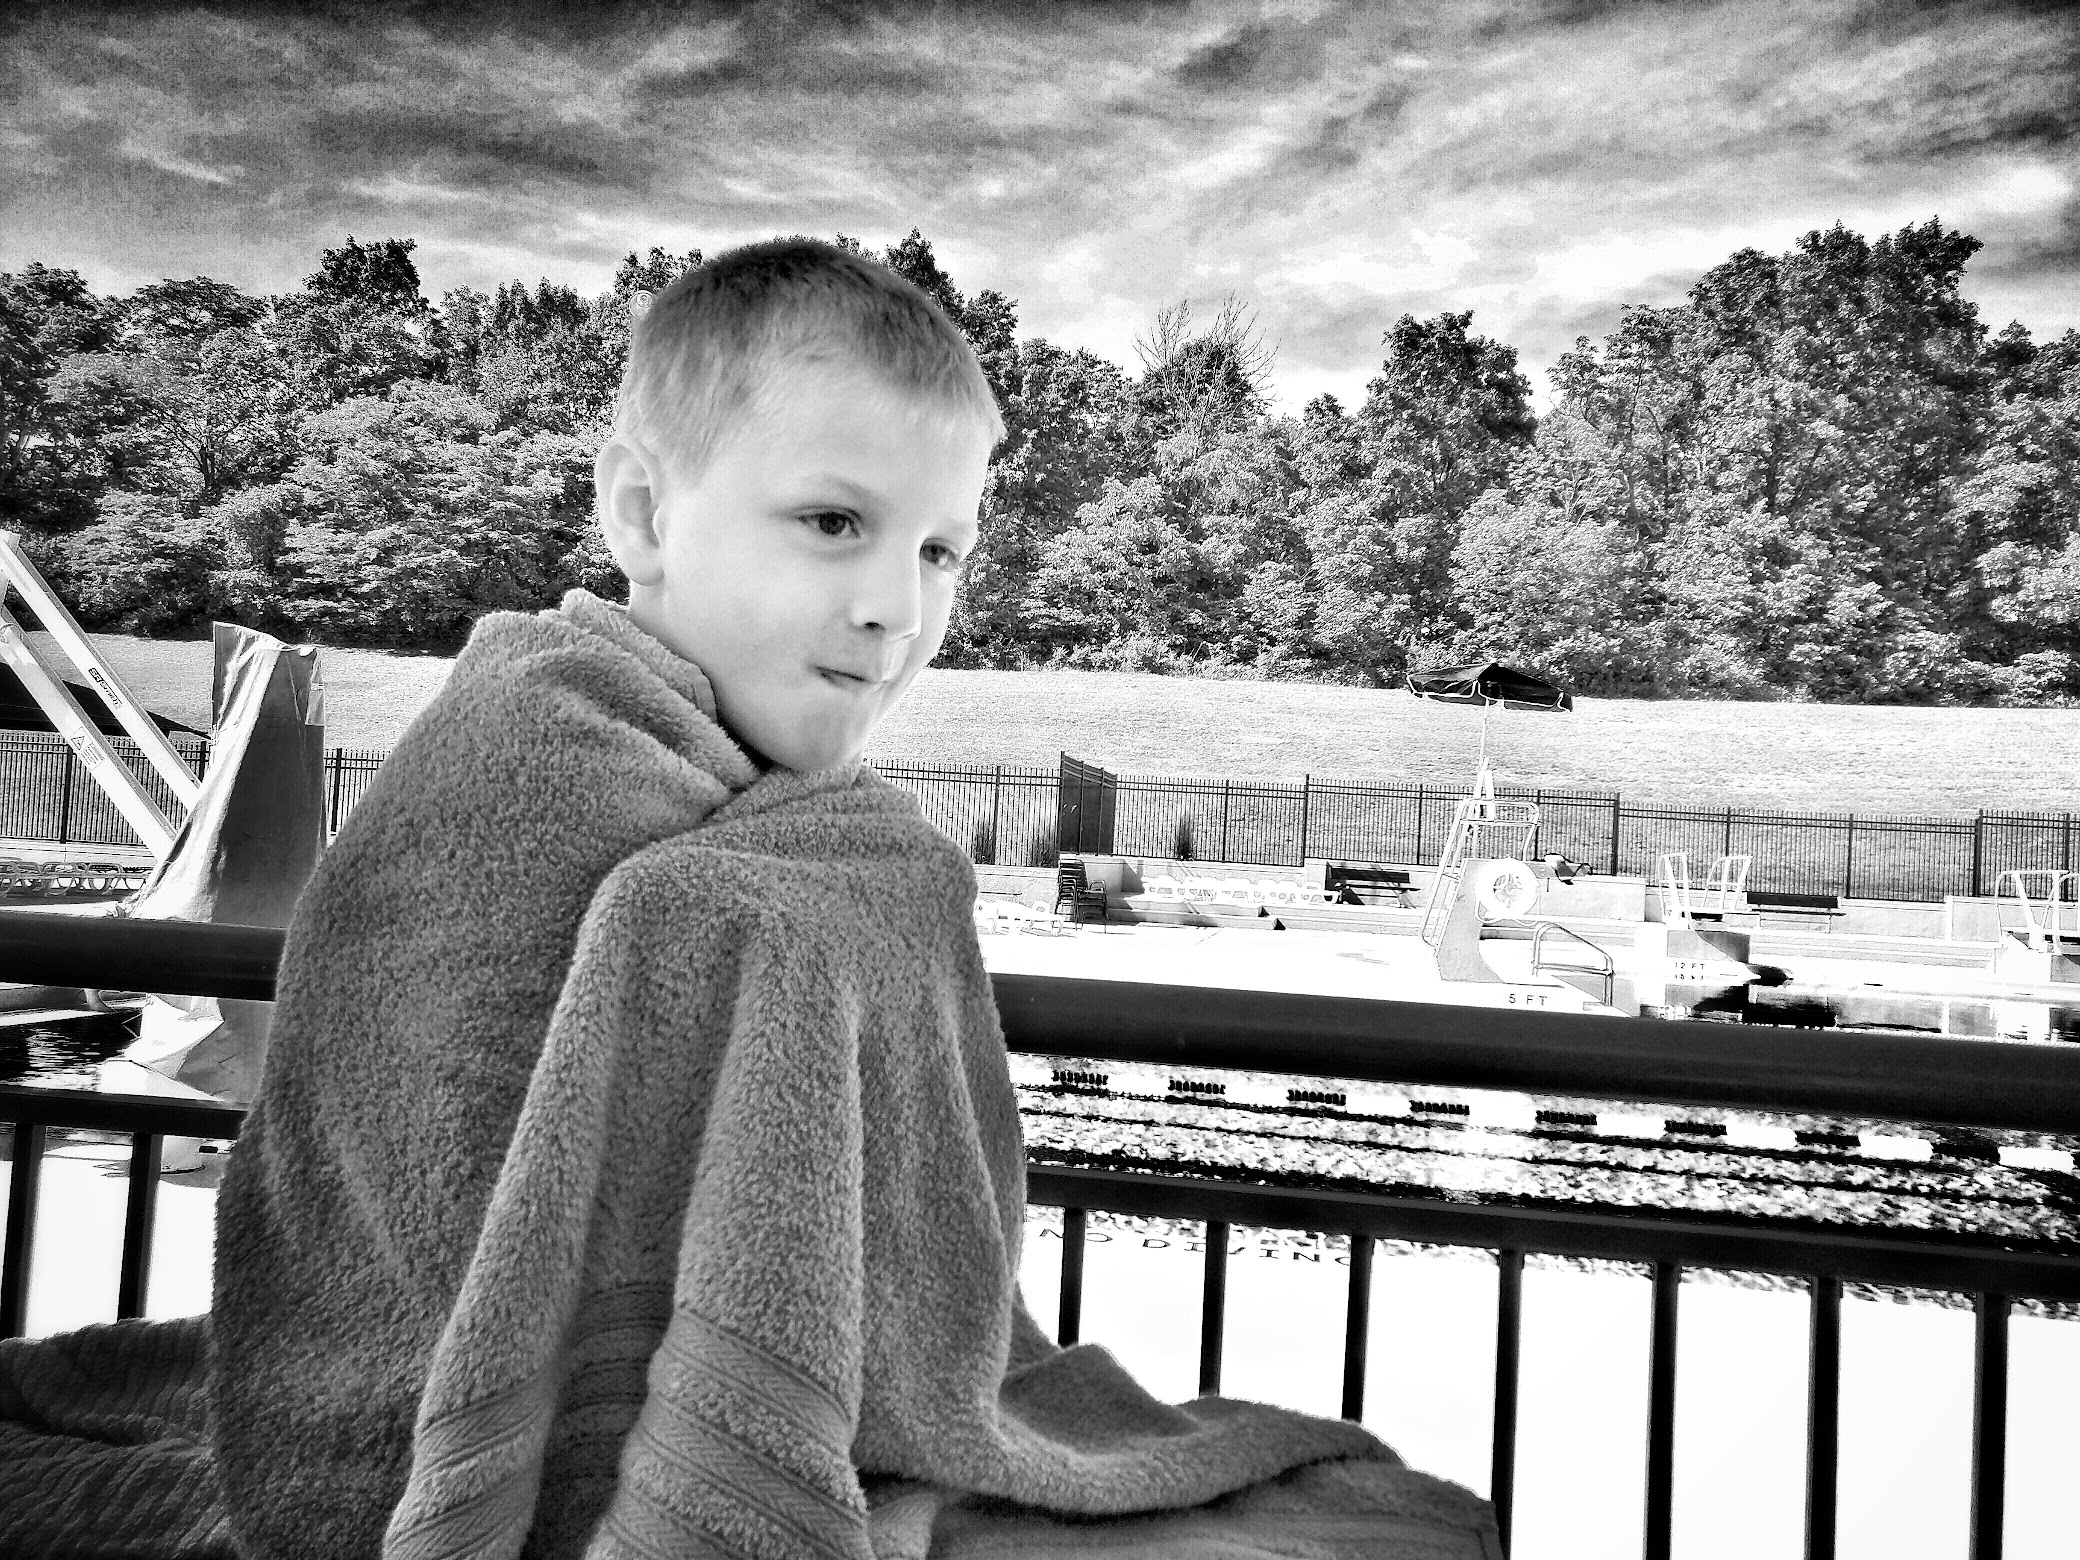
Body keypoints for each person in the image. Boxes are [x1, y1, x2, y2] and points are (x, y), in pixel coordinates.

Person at [5, 239, 1500, 1559]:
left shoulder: (717, 783)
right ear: (643, 515)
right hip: (396, 1472)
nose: (896, 607)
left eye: (940, 550)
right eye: (834, 522)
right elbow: (426, 1253)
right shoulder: (518, 780)